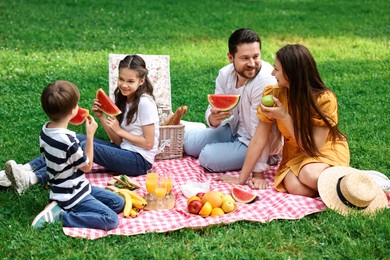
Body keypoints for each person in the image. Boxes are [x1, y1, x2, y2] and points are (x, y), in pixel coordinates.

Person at [3, 55, 160, 195]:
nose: (124, 85)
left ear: (141, 81)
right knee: (75, 138)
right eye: (121, 79)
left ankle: (32, 178)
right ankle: (23, 170)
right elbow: (118, 142)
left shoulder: (145, 104)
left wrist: (120, 130)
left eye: (130, 81)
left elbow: (148, 143)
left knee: (82, 145)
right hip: (124, 150)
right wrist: (102, 117)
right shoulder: (123, 98)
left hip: (139, 161)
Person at [217, 44, 350, 196]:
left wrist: (284, 117)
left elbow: (314, 147)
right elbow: (258, 139)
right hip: (294, 154)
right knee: (294, 187)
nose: (273, 73)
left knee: (309, 175)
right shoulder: (274, 95)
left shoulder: (324, 100)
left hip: (323, 150)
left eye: (277, 69)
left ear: (291, 73)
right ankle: (337, 188)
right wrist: (241, 179)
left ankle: (354, 184)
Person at [184, 28, 282, 189]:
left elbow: (260, 134)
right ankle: (198, 129)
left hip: (257, 144)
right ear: (231, 57)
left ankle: (271, 159)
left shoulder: (265, 81)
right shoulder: (225, 74)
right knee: (189, 144)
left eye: (256, 56)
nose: (252, 64)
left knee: (207, 158)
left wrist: (258, 172)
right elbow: (213, 106)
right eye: (244, 58)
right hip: (234, 129)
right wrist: (212, 118)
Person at [26, 80, 124, 229]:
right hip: (72, 195)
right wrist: (90, 136)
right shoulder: (69, 142)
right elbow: (87, 166)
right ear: (72, 111)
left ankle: (60, 206)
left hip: (73, 187)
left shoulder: (45, 130)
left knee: (119, 202)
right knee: (111, 220)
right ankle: (61, 217)